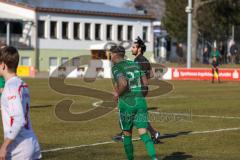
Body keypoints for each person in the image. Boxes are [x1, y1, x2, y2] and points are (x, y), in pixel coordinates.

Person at [110, 45, 158, 160]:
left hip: (127, 104)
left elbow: (123, 83)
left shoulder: (116, 68)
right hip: (140, 102)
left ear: (115, 55)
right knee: (143, 133)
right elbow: (145, 83)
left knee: (127, 134)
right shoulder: (134, 64)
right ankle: (154, 158)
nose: (110, 56)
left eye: (110, 54)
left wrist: (117, 94)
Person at [0, 46, 41, 160]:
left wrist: (4, 146)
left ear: (3, 65)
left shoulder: (11, 87)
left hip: (19, 149)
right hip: (31, 142)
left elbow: (18, 119)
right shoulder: (21, 84)